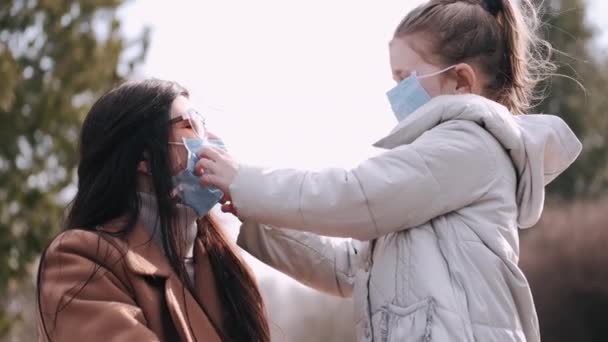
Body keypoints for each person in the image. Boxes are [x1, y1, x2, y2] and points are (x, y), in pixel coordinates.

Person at [196, 0, 582, 341]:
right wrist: (250, 209)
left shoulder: (468, 144)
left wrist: (244, 181)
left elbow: (356, 196)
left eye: (404, 78)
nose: (396, 93)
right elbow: (346, 268)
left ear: (461, 80)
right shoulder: (427, 178)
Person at [36, 79, 271, 342]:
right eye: (190, 124)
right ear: (143, 158)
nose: (210, 141)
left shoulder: (223, 263)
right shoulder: (80, 259)